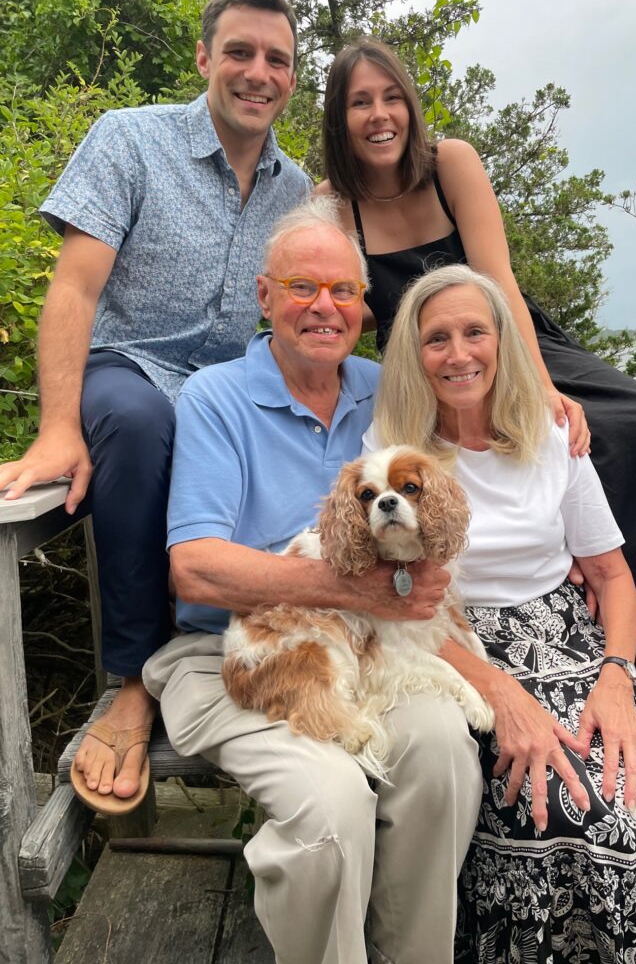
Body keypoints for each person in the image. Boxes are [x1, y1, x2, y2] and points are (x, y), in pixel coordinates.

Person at [317, 36, 636, 721]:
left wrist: (537, 384)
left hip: (506, 339)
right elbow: (345, 310)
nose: (380, 115)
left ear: (410, 105)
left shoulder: (449, 163)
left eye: (391, 97)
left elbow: (498, 278)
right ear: (339, 119)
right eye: (360, 102)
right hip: (426, 364)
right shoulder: (336, 203)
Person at [140, 200, 527, 964]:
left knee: (446, 754)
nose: (325, 307)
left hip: (380, 648)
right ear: (265, 297)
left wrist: (549, 399)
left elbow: (481, 404)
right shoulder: (215, 397)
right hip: (236, 654)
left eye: (344, 291)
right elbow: (195, 567)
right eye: (302, 287)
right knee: (331, 804)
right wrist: (351, 590)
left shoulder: (389, 389)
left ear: (364, 304)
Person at [0, 0, 312, 811]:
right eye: (239, 52)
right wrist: (60, 426)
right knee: (142, 425)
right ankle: (135, 679)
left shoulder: (297, 188)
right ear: (206, 58)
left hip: (230, 390)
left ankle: (278, 651)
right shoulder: (130, 140)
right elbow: (73, 290)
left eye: (275, 60)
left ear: (291, 78)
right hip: (129, 369)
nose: (257, 72)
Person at [366, 263, 636, 963]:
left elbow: (612, 575)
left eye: (475, 332)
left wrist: (618, 677)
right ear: (415, 354)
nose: (459, 353)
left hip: (571, 639)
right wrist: (498, 693)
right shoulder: (396, 453)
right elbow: (394, 599)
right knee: (541, 803)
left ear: (503, 340)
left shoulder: (550, 436)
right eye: (437, 339)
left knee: (630, 802)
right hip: (454, 642)